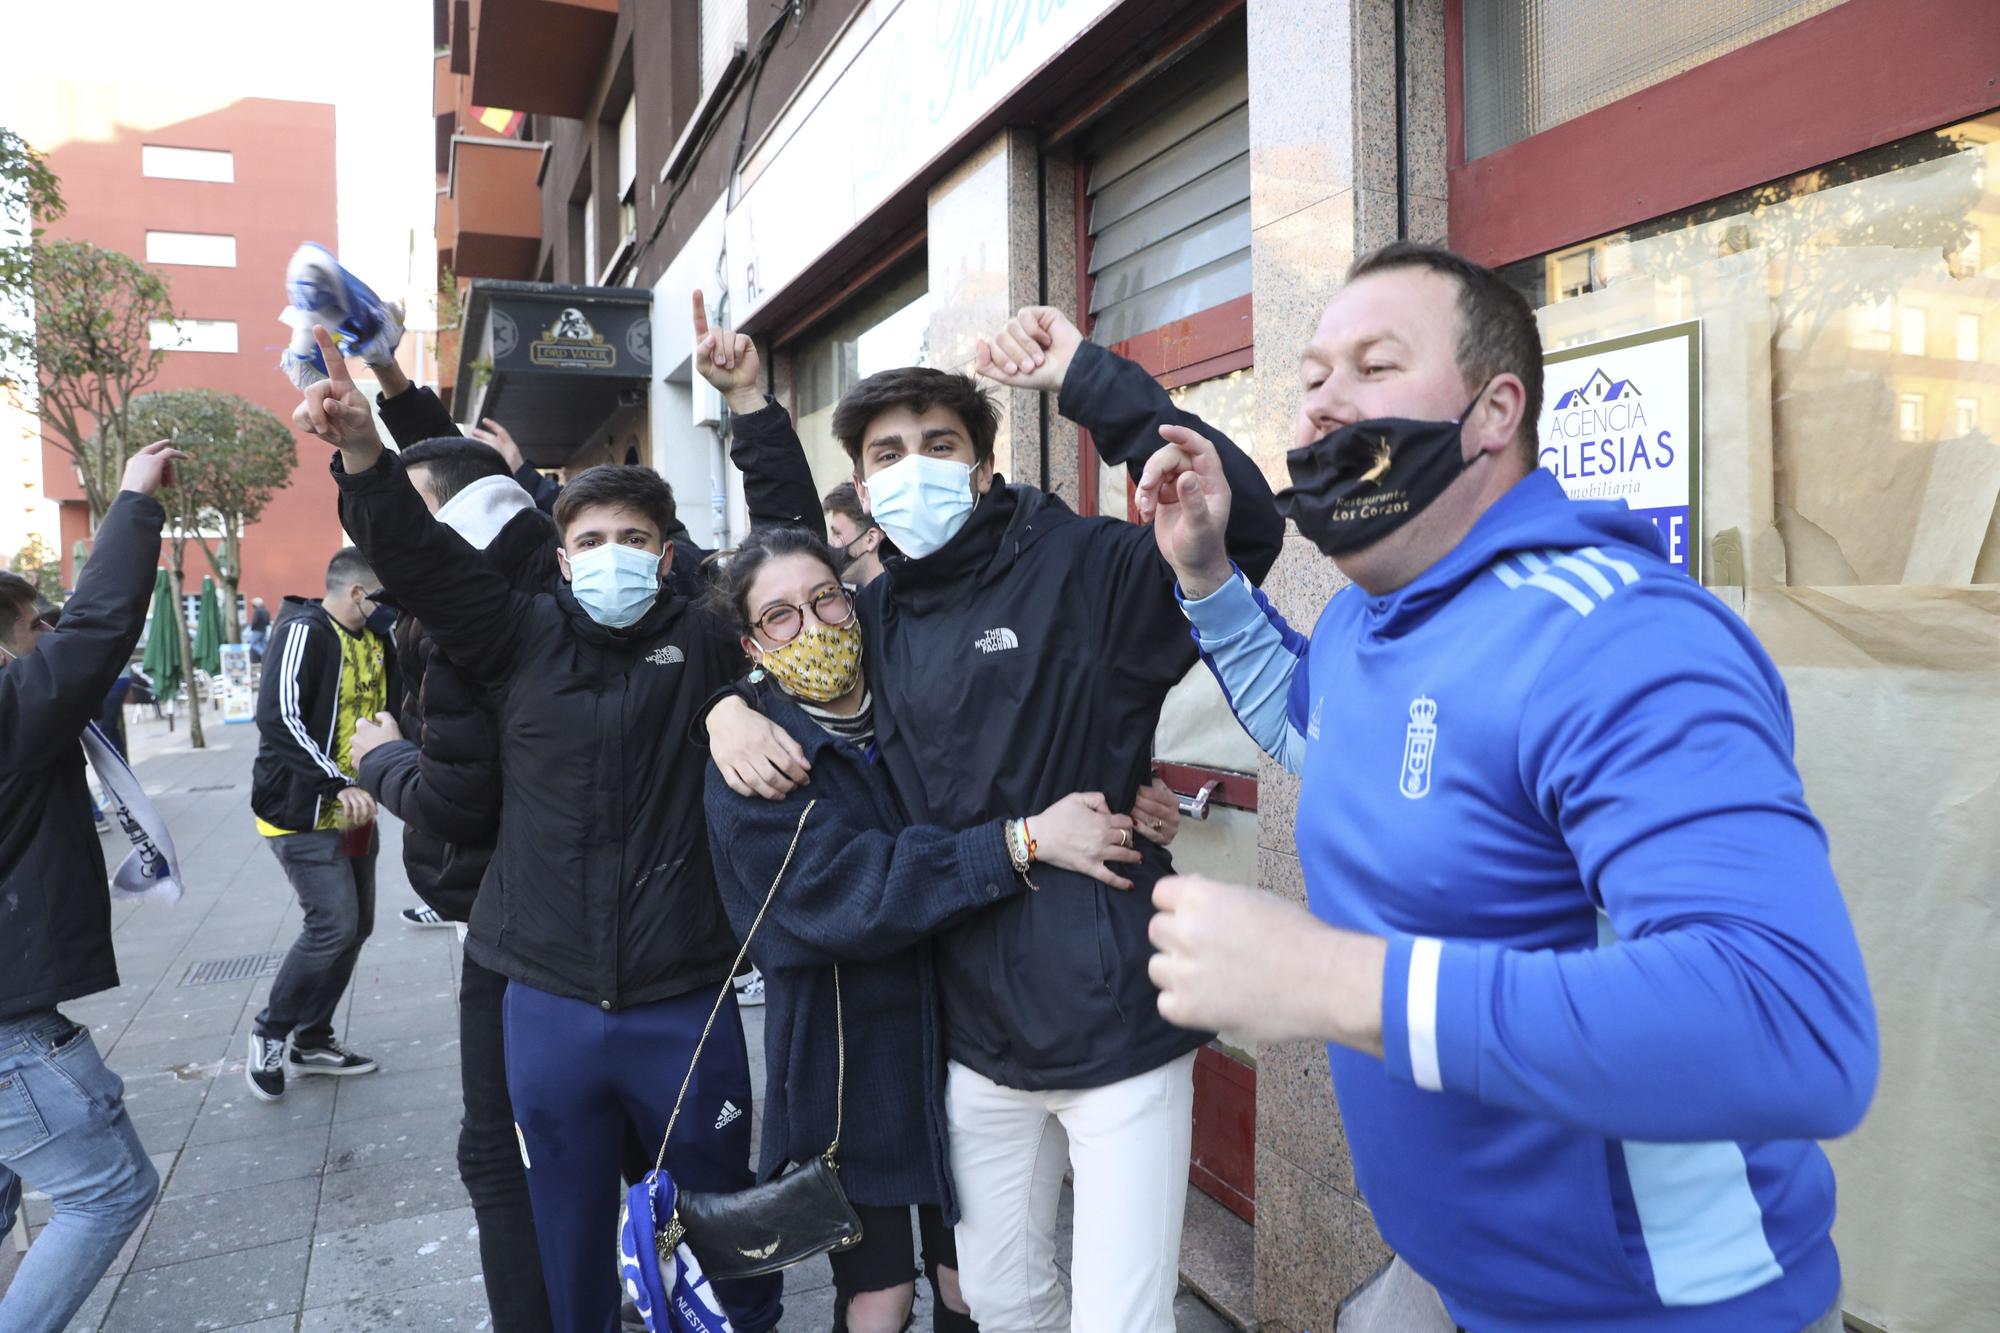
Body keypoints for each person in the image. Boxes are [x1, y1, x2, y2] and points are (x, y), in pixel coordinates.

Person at [1143, 242, 1878, 1333]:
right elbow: (1311, 730)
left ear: (1493, 412)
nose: (1318, 411)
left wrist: (1333, 978)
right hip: (1442, 1273)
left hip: (1648, 1307)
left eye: (1373, 366)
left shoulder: (1614, 636)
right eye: (1306, 381)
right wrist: (1203, 575)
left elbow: (1793, 1025)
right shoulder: (1360, 620)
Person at [709, 307, 1284, 1331]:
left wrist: (1084, 376)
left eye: (940, 445)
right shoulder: (870, 617)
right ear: (866, 487)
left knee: (1119, 1317)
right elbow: (770, 594)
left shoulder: (1082, 567)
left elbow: (1236, 525)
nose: (915, 465)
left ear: (981, 467)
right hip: (968, 1039)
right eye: (888, 453)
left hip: (1114, 1021)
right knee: (1004, 1302)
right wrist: (717, 707)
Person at [299, 326, 785, 1333]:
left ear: (667, 555)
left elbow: (789, 565)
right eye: (592, 540)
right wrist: (360, 455)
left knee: (726, 1238)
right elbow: (422, 556)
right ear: (561, 559)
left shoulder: (703, 639)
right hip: (548, 1006)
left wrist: (752, 411)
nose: (614, 557)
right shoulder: (514, 631)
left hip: (685, 1001)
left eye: (636, 540)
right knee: (565, 1241)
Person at [704, 527, 1185, 1332]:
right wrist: (721, 709)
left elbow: (1018, 751)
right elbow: (842, 895)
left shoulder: (909, 697)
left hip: (963, 1037)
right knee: (879, 1294)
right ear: (752, 643)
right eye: (781, 616)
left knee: (973, 1284)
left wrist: (1126, 787)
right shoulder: (760, 758)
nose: (814, 626)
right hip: (858, 1066)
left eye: (825, 598)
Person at [0, 440, 183, 1332]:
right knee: (110, 1191)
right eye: (36, 626)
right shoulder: (7, 709)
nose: (46, 638)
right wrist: (134, 499)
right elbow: (103, 622)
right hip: (7, 1033)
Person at [245, 546, 397, 1101]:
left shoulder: (378, 639)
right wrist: (338, 782)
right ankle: (271, 1033)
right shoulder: (304, 631)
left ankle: (313, 1038)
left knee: (356, 928)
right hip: (302, 812)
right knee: (331, 924)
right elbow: (278, 718)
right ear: (358, 593)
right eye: (384, 597)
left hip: (357, 811)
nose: (391, 609)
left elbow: (391, 710)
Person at [823, 481, 886, 587]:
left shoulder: (902, 599)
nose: (830, 543)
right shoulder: (860, 598)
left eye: (837, 534)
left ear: (870, 539)